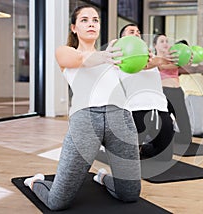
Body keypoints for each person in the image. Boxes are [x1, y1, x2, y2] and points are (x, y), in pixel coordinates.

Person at [23, 5, 141, 211]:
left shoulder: (112, 55)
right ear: (74, 28)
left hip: (121, 118)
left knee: (129, 194)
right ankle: (35, 183)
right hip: (86, 120)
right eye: (84, 20)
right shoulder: (66, 52)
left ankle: (103, 178)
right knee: (56, 202)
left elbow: (145, 64)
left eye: (95, 20)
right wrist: (106, 56)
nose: (91, 23)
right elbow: (79, 60)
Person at [153, 34, 203, 144]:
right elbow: (162, 66)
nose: (165, 43)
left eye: (166, 41)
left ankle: (170, 134)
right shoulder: (157, 61)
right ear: (155, 45)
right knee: (165, 127)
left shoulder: (179, 61)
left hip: (181, 93)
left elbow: (198, 69)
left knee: (190, 136)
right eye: (162, 41)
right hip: (167, 93)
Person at [118, 24, 175, 161]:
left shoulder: (151, 56)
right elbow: (144, 65)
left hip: (160, 108)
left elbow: (167, 65)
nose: (137, 34)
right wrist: (161, 59)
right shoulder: (119, 56)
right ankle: (123, 148)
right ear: (122, 38)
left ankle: (144, 147)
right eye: (132, 32)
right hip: (136, 109)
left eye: (138, 31)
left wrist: (179, 60)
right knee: (131, 158)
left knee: (165, 157)